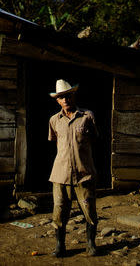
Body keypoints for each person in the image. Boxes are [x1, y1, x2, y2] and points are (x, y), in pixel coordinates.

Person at [48, 79, 98, 257]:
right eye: (61, 97)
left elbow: (94, 139)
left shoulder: (87, 116)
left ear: (73, 95)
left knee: (89, 211)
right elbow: (55, 142)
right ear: (57, 101)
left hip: (84, 174)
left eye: (68, 95)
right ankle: (60, 245)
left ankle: (90, 244)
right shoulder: (54, 120)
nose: (65, 100)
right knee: (59, 212)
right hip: (60, 175)